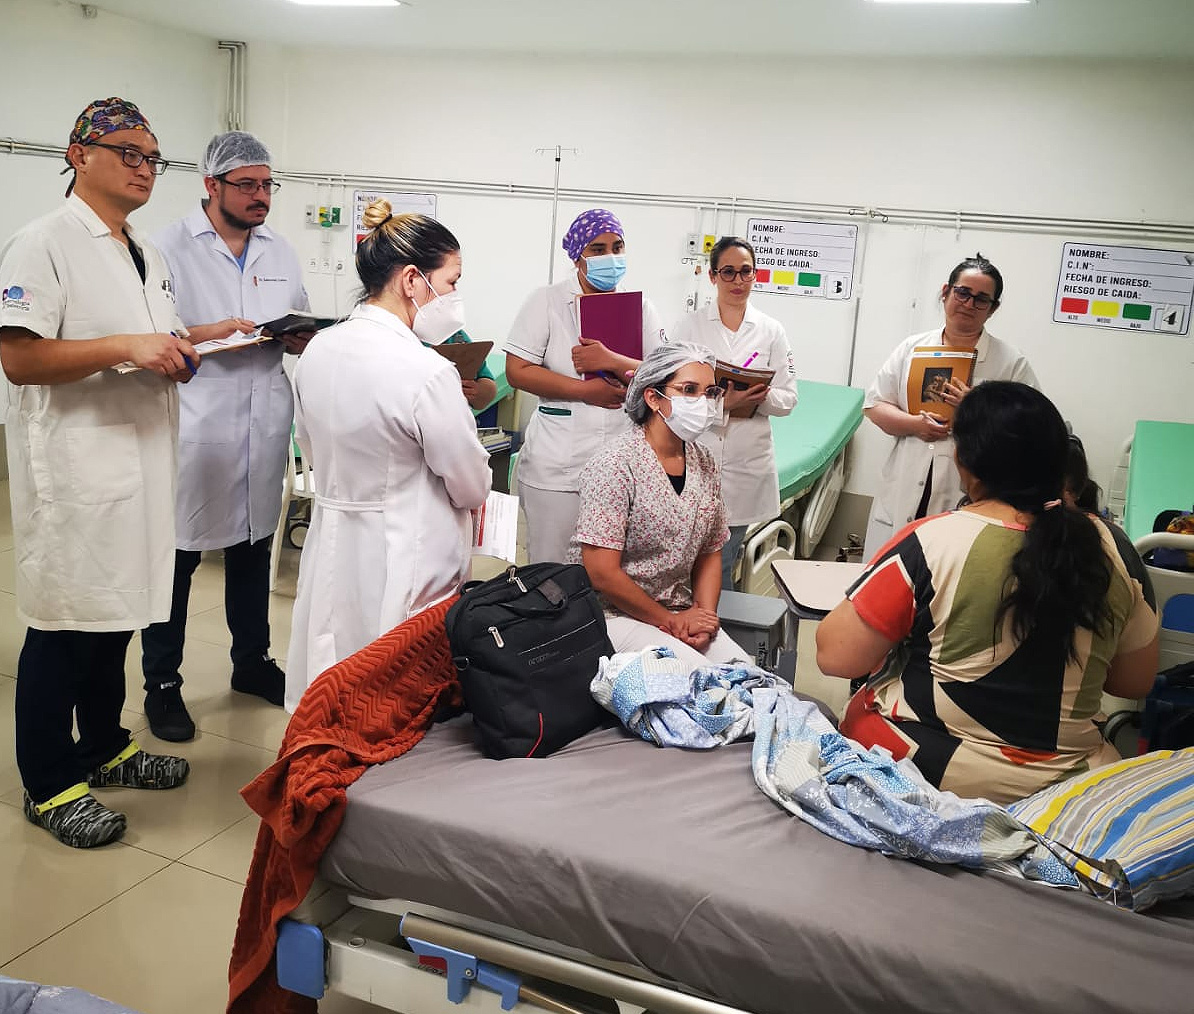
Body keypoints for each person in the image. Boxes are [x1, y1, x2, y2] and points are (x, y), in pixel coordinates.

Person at [0, 98, 251, 848]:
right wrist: (130, 348)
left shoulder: (143, 248)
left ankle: (103, 747)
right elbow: (18, 356)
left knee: (119, 620)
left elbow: (154, 335)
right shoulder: (41, 243)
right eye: (128, 153)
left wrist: (189, 345)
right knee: (65, 626)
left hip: (140, 462)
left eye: (153, 158)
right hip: (76, 473)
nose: (145, 169)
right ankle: (49, 785)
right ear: (79, 154)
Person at [816, 382, 1159, 804]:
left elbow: (836, 657)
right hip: (1069, 789)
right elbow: (1134, 681)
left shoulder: (932, 542)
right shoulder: (1112, 551)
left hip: (926, 773)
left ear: (964, 460)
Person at [284, 202, 492, 712]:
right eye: (451, 282)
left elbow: (309, 445)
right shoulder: (424, 370)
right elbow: (470, 484)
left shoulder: (318, 350)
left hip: (334, 537)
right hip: (406, 548)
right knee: (391, 691)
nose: (454, 298)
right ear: (412, 280)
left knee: (333, 668)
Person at [140, 131, 312, 741]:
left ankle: (252, 663)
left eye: (268, 185)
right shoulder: (164, 247)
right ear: (211, 185)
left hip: (263, 422)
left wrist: (299, 337)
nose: (261, 196)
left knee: (251, 548)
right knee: (178, 560)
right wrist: (208, 330)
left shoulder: (281, 251)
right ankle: (162, 682)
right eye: (247, 185)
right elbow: (148, 332)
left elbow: (300, 313)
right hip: (197, 420)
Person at [570, 341, 746, 670]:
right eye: (689, 389)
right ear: (653, 398)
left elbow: (711, 549)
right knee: (698, 677)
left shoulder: (703, 461)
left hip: (679, 610)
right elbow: (601, 573)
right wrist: (669, 621)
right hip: (611, 614)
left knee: (744, 671)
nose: (702, 402)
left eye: (710, 393)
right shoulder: (616, 463)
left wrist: (704, 620)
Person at [506, 209, 666, 564]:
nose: (610, 257)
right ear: (577, 255)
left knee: (611, 570)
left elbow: (661, 373)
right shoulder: (546, 301)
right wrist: (585, 392)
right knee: (551, 567)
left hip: (621, 461)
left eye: (617, 246)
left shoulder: (641, 307)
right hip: (558, 464)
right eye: (597, 249)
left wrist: (613, 362)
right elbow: (517, 370)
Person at [862, 254, 1038, 559]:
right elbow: (875, 406)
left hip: (969, 490)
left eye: (981, 299)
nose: (969, 304)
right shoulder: (911, 348)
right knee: (888, 574)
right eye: (963, 293)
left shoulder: (1011, 363)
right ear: (946, 292)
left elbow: (1030, 432)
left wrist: (974, 410)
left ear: (993, 309)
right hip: (905, 481)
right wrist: (915, 424)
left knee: (944, 577)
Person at [670, 237, 797, 588]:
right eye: (729, 272)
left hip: (746, 463)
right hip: (698, 454)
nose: (738, 281)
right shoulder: (690, 327)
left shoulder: (771, 331)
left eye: (746, 272)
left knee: (723, 561)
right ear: (713, 277)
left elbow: (788, 399)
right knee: (682, 558)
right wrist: (725, 405)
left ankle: (712, 629)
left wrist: (758, 397)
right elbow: (671, 398)